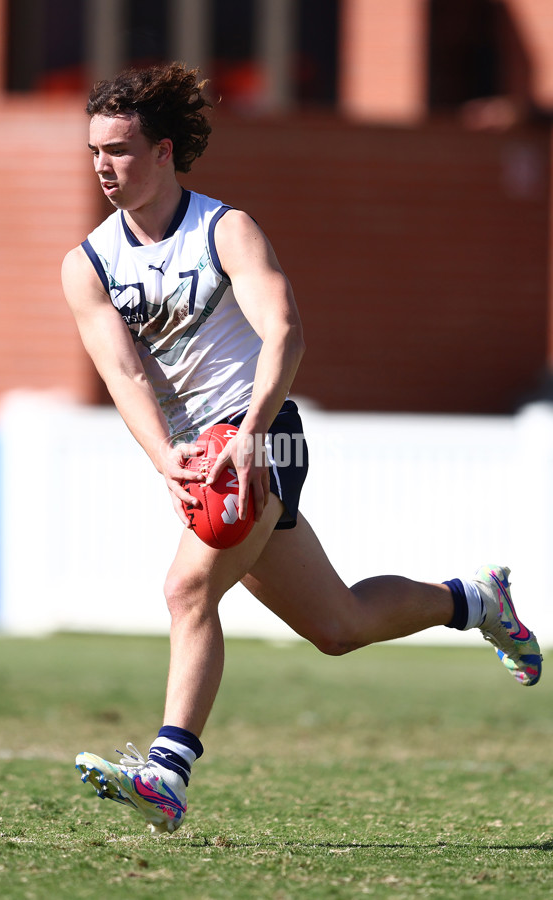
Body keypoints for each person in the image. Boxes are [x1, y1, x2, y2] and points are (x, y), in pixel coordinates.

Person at [63, 63, 542, 836]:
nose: (102, 167)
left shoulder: (225, 230)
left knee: (188, 590)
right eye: (94, 151)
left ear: (164, 152)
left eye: (119, 150)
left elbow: (285, 333)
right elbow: (121, 374)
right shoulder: (86, 265)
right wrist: (167, 459)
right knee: (338, 626)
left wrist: (247, 436)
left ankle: (167, 771)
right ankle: (475, 599)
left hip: (262, 435)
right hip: (197, 454)